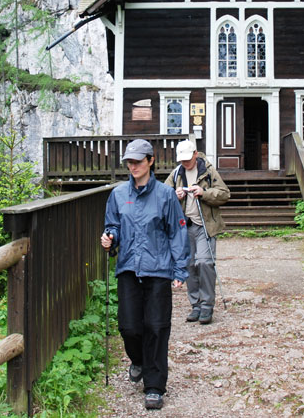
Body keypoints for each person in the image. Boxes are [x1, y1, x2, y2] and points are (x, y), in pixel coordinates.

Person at [101, 138, 189, 410]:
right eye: (129, 161)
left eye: (138, 161)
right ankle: (137, 360)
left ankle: (154, 386)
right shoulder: (117, 194)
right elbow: (112, 225)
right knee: (129, 327)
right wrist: (110, 238)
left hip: (158, 269)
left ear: (151, 161)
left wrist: (179, 268)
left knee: (157, 327)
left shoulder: (165, 195)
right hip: (128, 266)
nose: (133, 166)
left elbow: (177, 231)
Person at [164, 139, 230, 325]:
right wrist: (173, 195)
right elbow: (163, 195)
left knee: (205, 263)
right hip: (185, 226)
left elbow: (224, 193)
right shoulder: (176, 173)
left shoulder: (207, 171)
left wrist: (204, 192)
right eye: (182, 160)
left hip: (205, 225)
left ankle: (207, 306)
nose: (185, 163)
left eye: (188, 159)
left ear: (195, 154)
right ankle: (196, 306)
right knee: (189, 265)